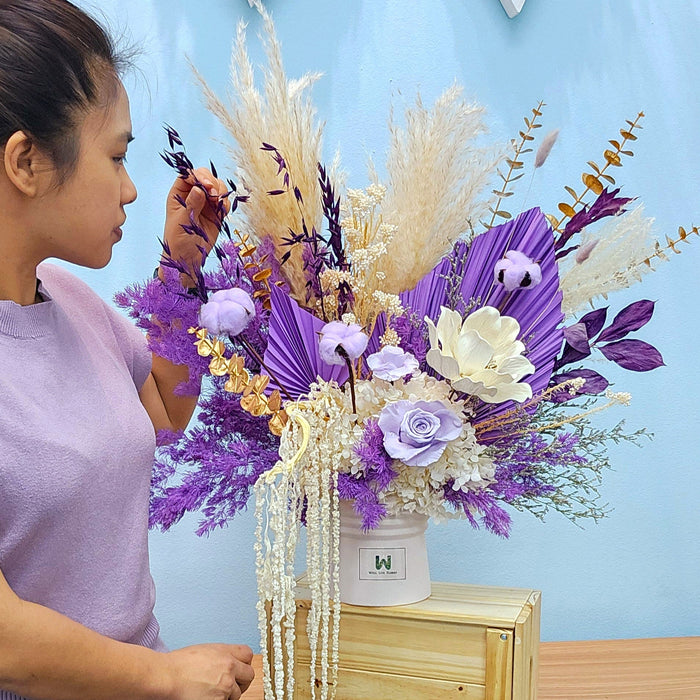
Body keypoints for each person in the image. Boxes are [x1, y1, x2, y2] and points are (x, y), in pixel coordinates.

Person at [0, 1, 255, 698]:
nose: (132, 187)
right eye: (114, 156)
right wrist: (164, 676)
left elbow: (163, 414)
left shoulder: (68, 298)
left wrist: (181, 272)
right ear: (26, 160)